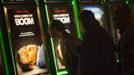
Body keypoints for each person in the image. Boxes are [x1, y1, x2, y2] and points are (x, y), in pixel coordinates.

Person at [77, 10, 120, 75]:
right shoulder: (102, 31)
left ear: (83, 22)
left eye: (79, 22)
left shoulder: (90, 36)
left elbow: (88, 62)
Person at [114, 5, 134, 75]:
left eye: (115, 18)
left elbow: (129, 55)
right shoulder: (127, 31)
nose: (114, 21)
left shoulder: (129, 33)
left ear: (123, 18)